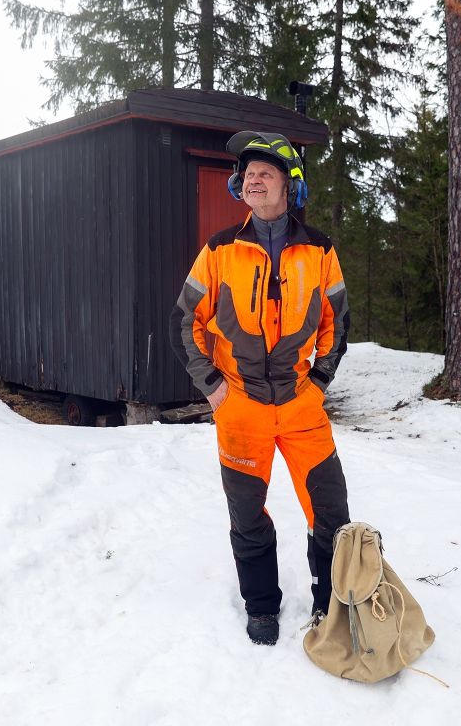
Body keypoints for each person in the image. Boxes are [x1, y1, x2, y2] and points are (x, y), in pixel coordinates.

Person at [170, 131, 351, 646]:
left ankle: (330, 606)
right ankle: (262, 606)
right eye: (248, 171)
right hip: (240, 406)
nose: (254, 176)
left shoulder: (320, 251)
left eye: (266, 171)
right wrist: (212, 387)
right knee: (247, 513)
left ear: (290, 185)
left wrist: (318, 381)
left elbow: (336, 323)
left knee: (331, 512)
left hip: (301, 406)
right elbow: (186, 321)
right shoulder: (220, 251)